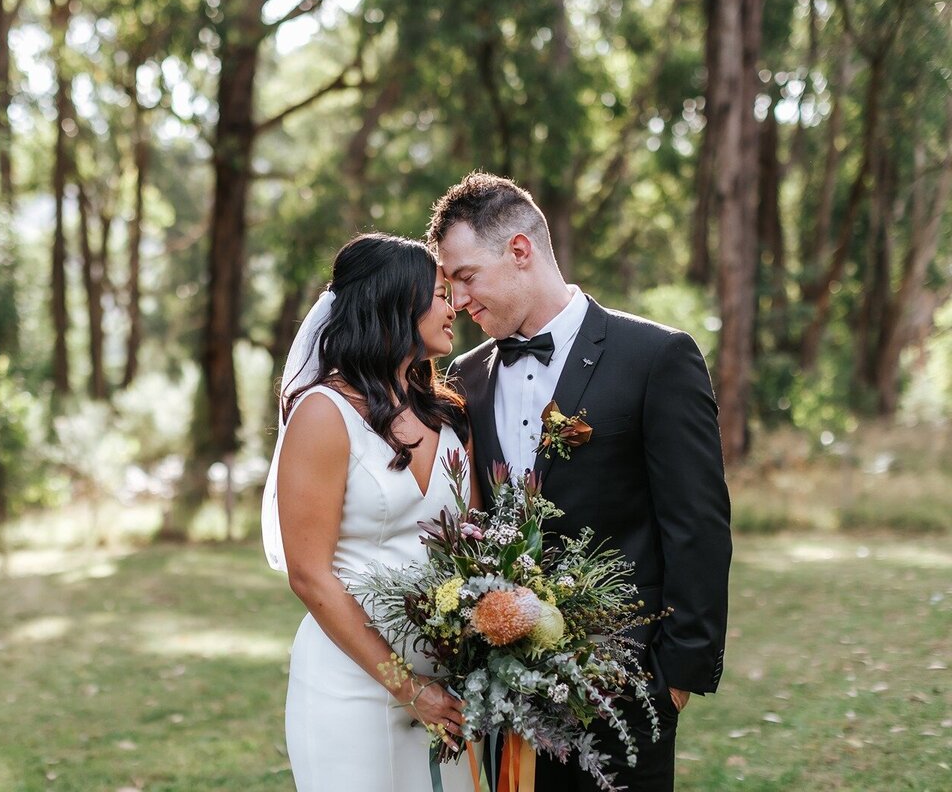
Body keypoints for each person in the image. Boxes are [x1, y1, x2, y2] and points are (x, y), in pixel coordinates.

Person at [431, 173, 732, 791]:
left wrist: (673, 680)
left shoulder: (656, 357)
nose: (457, 301)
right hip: (501, 691)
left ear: (520, 251)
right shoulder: (464, 378)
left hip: (622, 687)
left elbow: (697, 524)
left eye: (465, 277)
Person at [262, 233, 480, 791]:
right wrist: (407, 687)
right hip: (350, 686)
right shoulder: (323, 414)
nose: (452, 306)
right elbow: (308, 574)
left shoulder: (448, 416)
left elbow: (478, 545)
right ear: (395, 303)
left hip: (449, 685)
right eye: (438, 294)